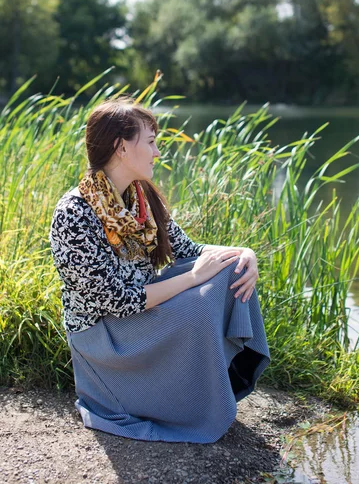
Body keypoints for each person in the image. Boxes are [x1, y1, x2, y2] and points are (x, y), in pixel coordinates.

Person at [49, 97, 270, 443]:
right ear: (121, 147)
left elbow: (191, 251)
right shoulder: (74, 213)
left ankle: (223, 381)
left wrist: (246, 254)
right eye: (151, 142)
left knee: (230, 270)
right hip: (106, 338)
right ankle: (179, 399)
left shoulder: (142, 198)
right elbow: (119, 302)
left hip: (140, 315)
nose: (157, 152)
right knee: (200, 295)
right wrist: (193, 278)